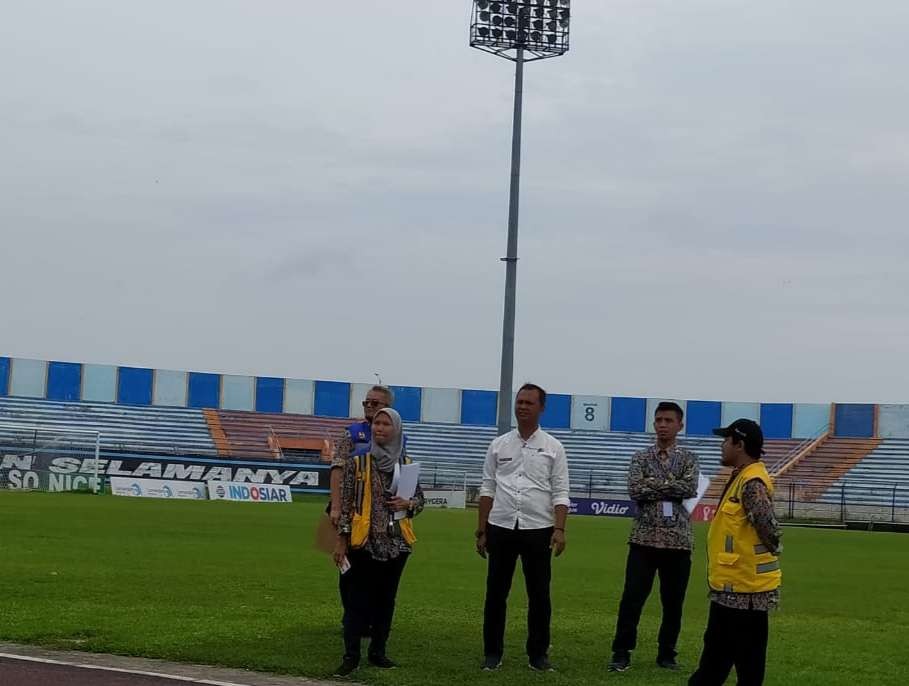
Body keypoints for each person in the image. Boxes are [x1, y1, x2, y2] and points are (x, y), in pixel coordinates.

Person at [477, 383, 570, 673]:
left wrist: (560, 529)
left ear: (541, 407)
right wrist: (481, 530)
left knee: (539, 596)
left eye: (529, 403)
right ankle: (492, 653)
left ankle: (538, 655)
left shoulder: (553, 447)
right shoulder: (499, 445)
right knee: (495, 594)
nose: (522, 407)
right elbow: (487, 487)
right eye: (519, 402)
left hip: (538, 528)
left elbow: (561, 491)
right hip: (501, 525)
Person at [332, 407, 424, 678]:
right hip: (363, 543)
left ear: (396, 429)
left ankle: (378, 652)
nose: (380, 428)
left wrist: (409, 503)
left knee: (386, 601)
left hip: (396, 545)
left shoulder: (406, 464)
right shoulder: (358, 462)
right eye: (377, 423)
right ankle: (351, 656)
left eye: (386, 424)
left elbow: (420, 502)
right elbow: (347, 504)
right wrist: (341, 542)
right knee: (356, 602)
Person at [689, 419, 782, 686]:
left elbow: (769, 529)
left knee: (737, 668)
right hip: (733, 591)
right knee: (721, 665)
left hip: (746, 593)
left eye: (726, 440)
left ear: (739, 444)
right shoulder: (741, 477)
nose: (722, 445)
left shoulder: (751, 482)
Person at [608, 401, 700, 673]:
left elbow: (689, 488)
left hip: (678, 541)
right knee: (632, 599)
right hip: (643, 540)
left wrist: (654, 485)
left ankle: (667, 653)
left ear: (679, 425)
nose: (662, 424)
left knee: (673, 603)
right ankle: (621, 651)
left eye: (668, 420)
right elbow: (635, 490)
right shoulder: (640, 456)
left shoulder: (689, 458)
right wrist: (670, 487)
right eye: (658, 420)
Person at [327, 385, 396, 632]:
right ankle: (351, 617)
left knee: (378, 569)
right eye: (366, 402)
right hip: (350, 510)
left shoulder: (398, 436)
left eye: (375, 403)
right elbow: (337, 469)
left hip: (380, 515)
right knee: (347, 567)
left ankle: (370, 619)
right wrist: (335, 507)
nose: (369, 406)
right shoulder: (352, 434)